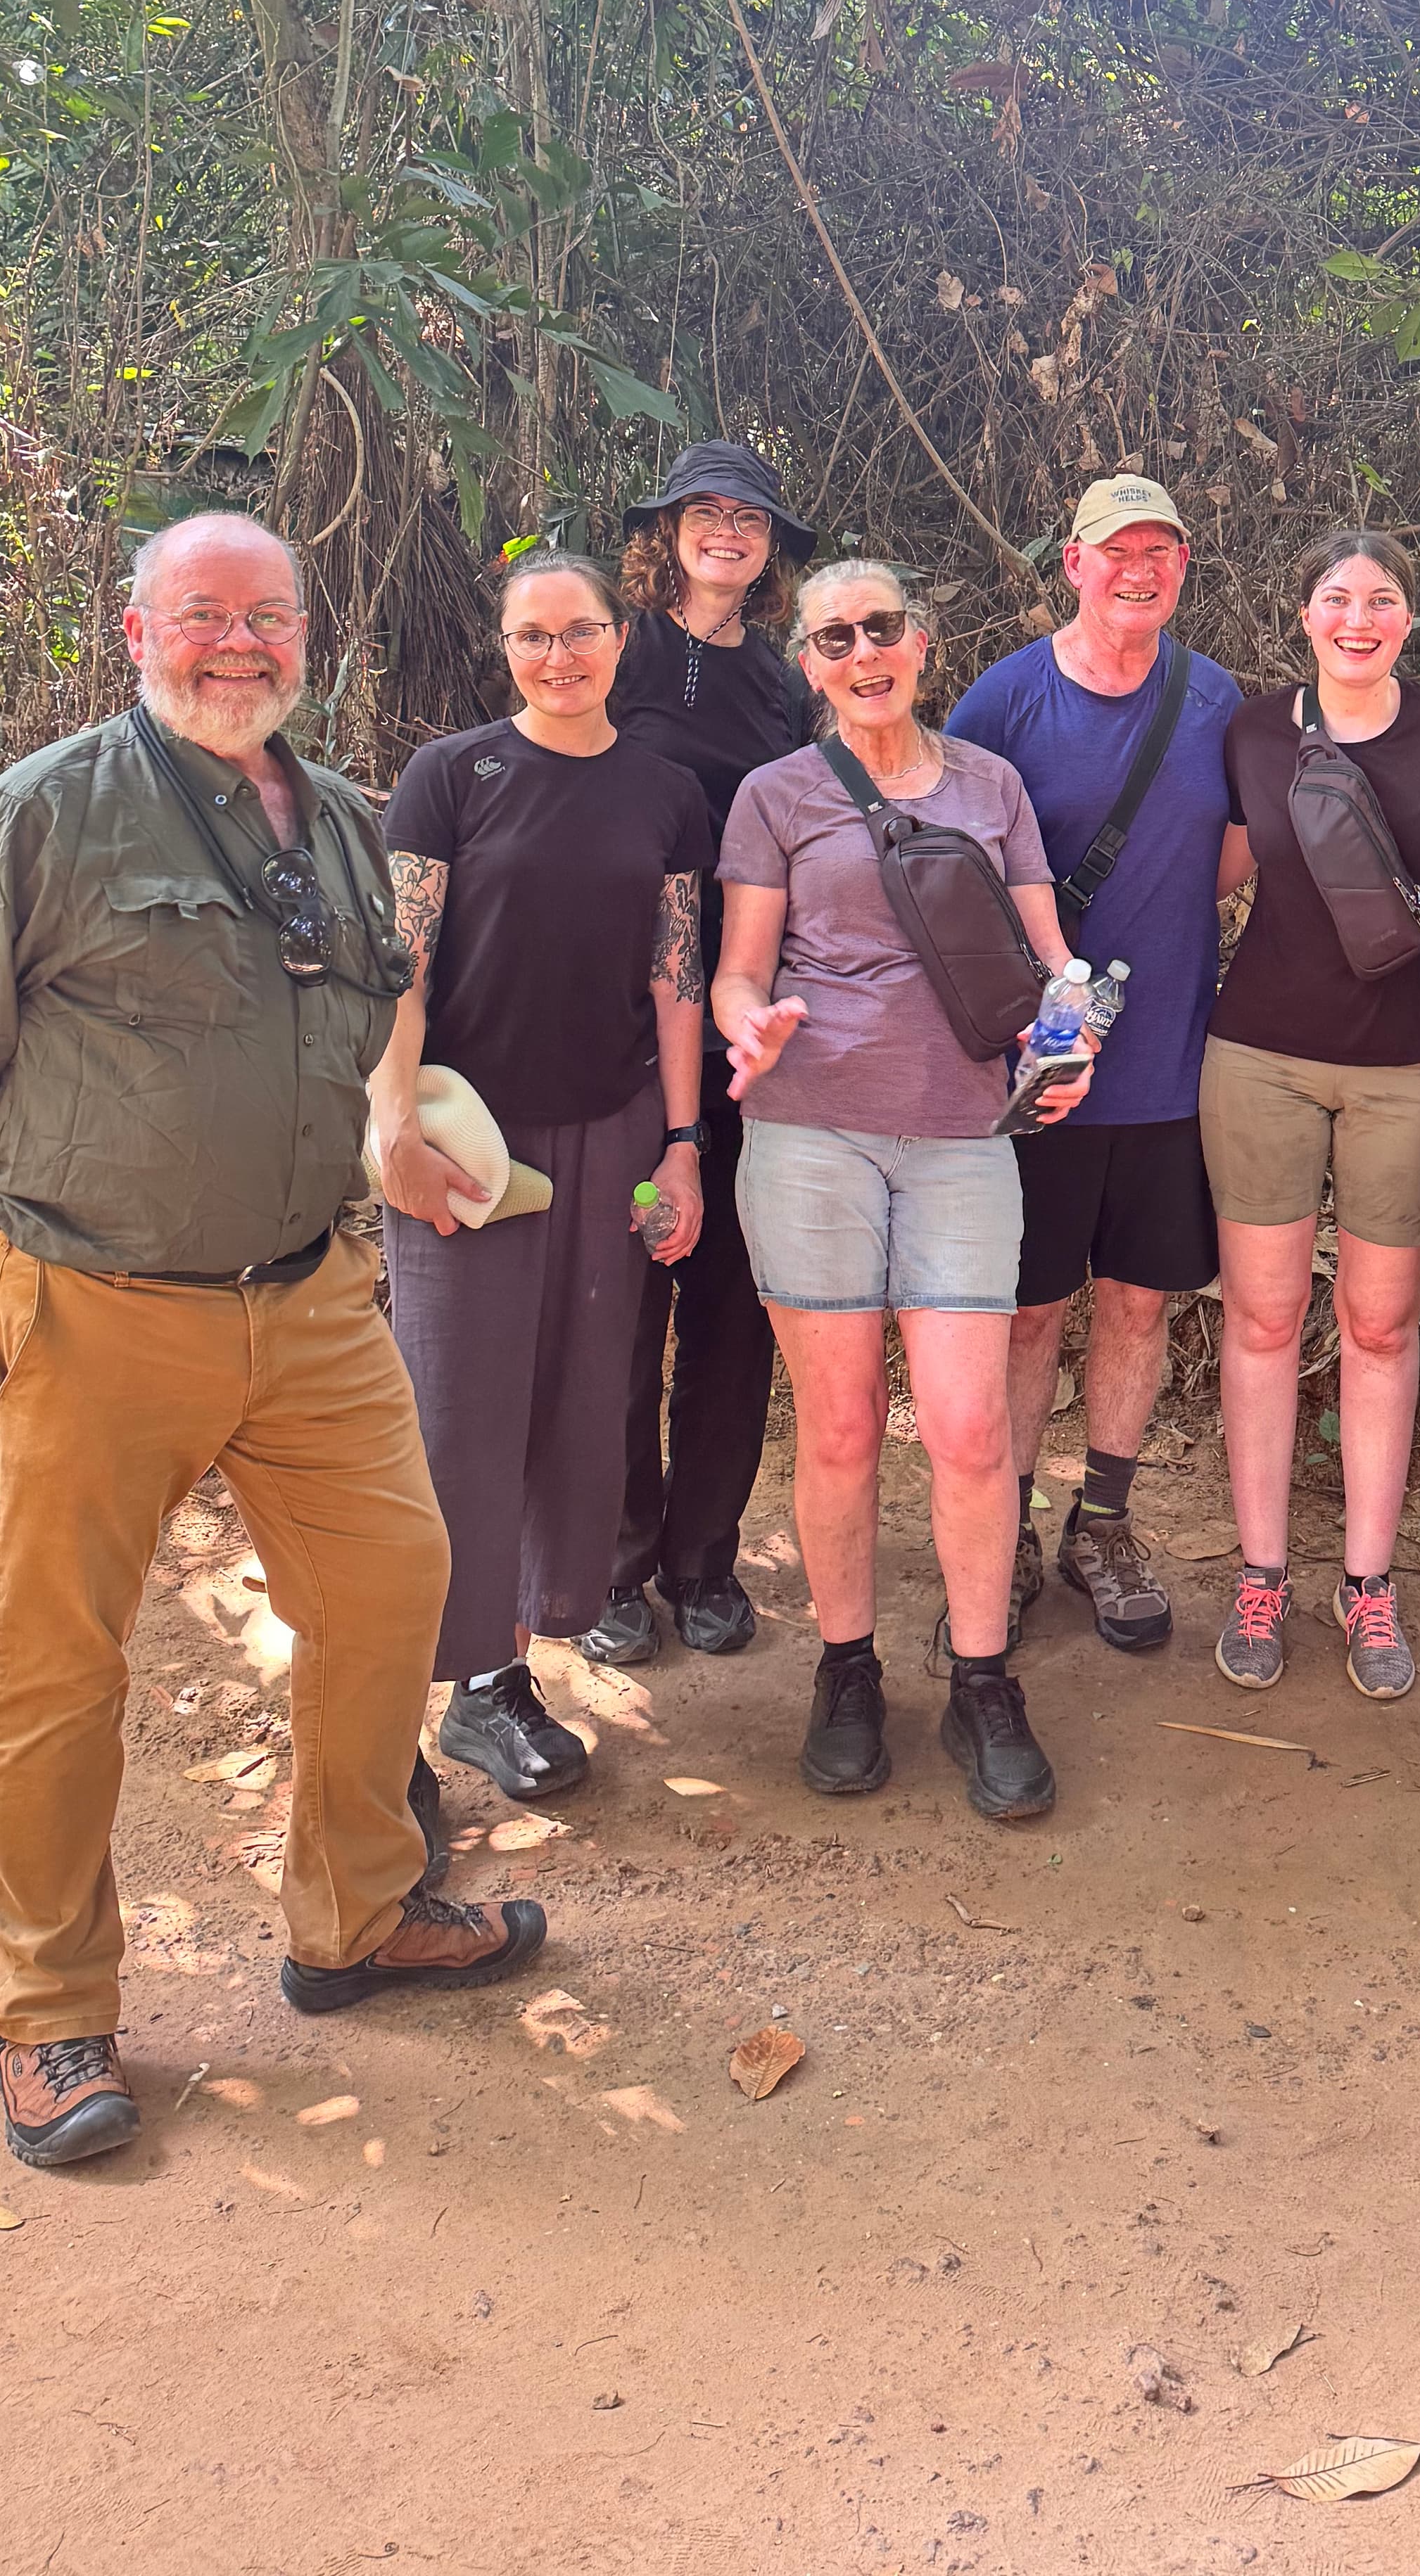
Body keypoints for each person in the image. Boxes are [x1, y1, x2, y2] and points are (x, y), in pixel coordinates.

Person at [0, 514, 545, 2173]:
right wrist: (24, 1229)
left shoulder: (333, 819)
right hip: (93, 1303)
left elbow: (347, 1037)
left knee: (393, 1583)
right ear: (135, 630)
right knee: (57, 1660)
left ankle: (356, 1913)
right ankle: (48, 2015)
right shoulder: (40, 817)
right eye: (203, 615)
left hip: (310, 1300)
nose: (237, 642)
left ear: (306, 636)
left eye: (268, 616)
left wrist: (387, 1155)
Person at [714, 559, 1093, 1823]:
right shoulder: (775, 796)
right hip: (811, 1129)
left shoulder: (993, 786)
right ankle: (847, 1667)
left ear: (922, 644)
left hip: (961, 1136)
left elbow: (1055, 966)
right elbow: (736, 971)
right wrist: (749, 1026)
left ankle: (982, 1677)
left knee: (973, 1429)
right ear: (808, 662)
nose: (863, 651)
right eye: (835, 637)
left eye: (883, 629)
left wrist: (1071, 1043)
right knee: (837, 1427)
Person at [375, 551, 714, 1805]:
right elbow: (400, 966)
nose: (557, 656)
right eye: (532, 636)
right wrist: (390, 1122)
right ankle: (388, 1718)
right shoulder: (451, 777)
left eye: (579, 633)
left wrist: (681, 1143)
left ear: (622, 640)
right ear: (503, 647)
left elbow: (675, 977)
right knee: (453, 1415)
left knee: (577, 1400)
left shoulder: (669, 793)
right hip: (468, 1134)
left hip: (613, 1131)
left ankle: (494, 1686)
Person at [1200, 529, 1420, 1700]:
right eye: (1338, 597)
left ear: (1408, 623)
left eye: (1382, 599)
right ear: (1304, 616)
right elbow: (1215, 875)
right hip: (1261, 1056)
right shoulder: (1251, 732)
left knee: (1381, 1326)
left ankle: (1367, 1583)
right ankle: (1264, 1570)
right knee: (1265, 1321)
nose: (1359, 617)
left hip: (1405, 1067)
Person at [948, 475, 1246, 1659]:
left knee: (1136, 1301)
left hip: (1168, 1064)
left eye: (1162, 553)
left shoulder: (1213, 697)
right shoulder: (1007, 700)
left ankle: (1103, 1522)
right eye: (1116, 551)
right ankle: (1009, 1530)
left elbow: (1231, 855)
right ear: (1071, 565)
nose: (1140, 570)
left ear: (1182, 567)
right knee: (1028, 1312)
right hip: (1038, 1074)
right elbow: (942, 864)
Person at [585, 440, 818, 1668]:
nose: (728, 531)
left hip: (746, 1021)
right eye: (706, 513)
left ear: (772, 546)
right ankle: (618, 1567)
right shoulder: (606, 643)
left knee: (733, 1303)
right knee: (626, 1300)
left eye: (750, 518)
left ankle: (704, 1560)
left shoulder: (785, 685)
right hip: (622, 1015)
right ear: (668, 529)